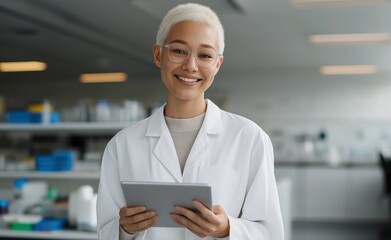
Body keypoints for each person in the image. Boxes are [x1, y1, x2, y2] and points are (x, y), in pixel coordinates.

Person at [96, 3, 284, 240]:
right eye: (178, 51)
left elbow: (270, 233)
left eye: (205, 55)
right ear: (158, 54)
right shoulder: (122, 145)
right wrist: (125, 229)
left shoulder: (249, 138)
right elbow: (105, 231)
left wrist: (226, 229)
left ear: (217, 64)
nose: (190, 66)